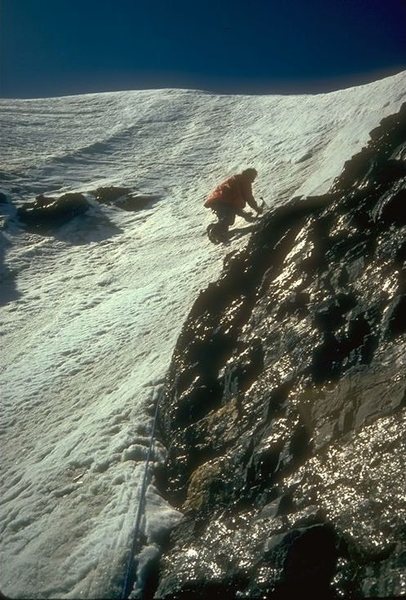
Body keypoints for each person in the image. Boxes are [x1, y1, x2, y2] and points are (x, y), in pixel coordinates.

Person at [204, 168, 263, 242]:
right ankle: (214, 232)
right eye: (253, 177)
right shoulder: (245, 180)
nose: (253, 180)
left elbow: (234, 205)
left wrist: (245, 215)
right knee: (227, 219)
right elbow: (248, 197)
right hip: (222, 202)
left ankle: (221, 235)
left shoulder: (237, 179)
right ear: (249, 175)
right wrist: (257, 208)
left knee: (227, 220)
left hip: (218, 202)